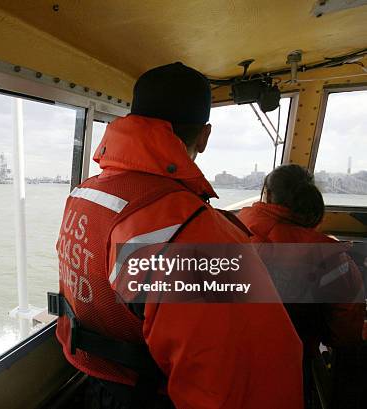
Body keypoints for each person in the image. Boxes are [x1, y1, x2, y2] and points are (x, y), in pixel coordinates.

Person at [51, 63, 303, 409]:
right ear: (204, 135)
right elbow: (229, 385)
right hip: (147, 396)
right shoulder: (191, 231)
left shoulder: (83, 195)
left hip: (92, 384)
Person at [238, 164, 365, 407]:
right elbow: (347, 328)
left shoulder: (227, 233)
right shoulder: (331, 258)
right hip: (295, 366)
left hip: (231, 361)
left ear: (267, 195)